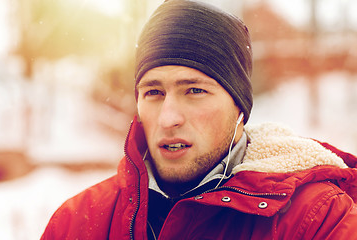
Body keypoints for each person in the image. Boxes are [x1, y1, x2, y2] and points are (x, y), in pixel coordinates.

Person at [41, 0, 357, 239]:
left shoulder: (318, 219)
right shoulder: (77, 222)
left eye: (194, 90)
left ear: (240, 109)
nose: (168, 118)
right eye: (153, 92)